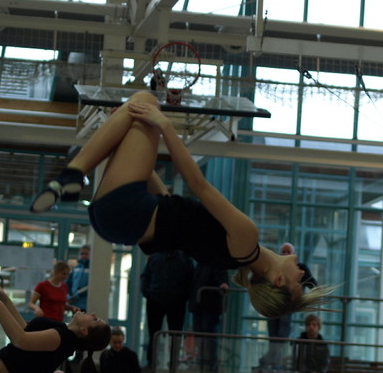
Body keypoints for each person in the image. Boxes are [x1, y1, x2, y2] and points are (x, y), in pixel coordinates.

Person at [30, 90, 331, 319]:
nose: (302, 274)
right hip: (119, 221)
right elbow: (172, 209)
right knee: (134, 119)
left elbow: (198, 184)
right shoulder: (232, 259)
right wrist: (126, 144)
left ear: (277, 280)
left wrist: (164, 125)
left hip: (130, 213)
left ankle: (73, 174)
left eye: (298, 283)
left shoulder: (246, 238)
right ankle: (74, 175)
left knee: (146, 101)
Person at [258, 242, 319, 373]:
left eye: (288, 252)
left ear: (293, 254)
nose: (285, 254)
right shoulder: (273, 266)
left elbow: (312, 283)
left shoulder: (300, 268)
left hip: (287, 306)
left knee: (282, 335)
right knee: (273, 336)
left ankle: (266, 362)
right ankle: (274, 364)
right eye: (283, 252)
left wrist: (311, 293)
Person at [141, 249, 193, 369]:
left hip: (173, 300)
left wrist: (183, 296)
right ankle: (153, 362)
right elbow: (146, 276)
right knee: (156, 333)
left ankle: (170, 362)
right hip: (159, 299)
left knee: (173, 334)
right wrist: (147, 292)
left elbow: (190, 280)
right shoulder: (158, 257)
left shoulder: (183, 259)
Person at [188, 263, 229, 373]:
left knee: (207, 334)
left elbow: (222, 279)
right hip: (200, 304)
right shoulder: (201, 264)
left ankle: (207, 363)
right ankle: (202, 362)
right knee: (201, 335)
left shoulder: (213, 263)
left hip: (208, 305)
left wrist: (223, 284)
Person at [67, 245, 90, 312]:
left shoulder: (91, 268)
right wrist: (70, 295)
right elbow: (69, 282)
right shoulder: (76, 268)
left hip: (85, 303)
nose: (83, 256)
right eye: (81, 254)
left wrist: (78, 294)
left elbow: (90, 285)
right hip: (74, 302)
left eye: (86, 254)